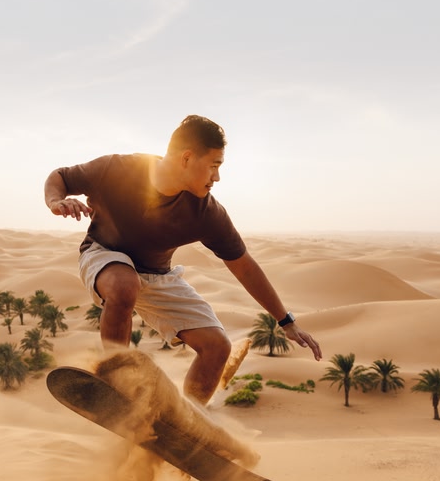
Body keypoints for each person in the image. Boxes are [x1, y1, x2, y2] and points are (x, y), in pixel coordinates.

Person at [44, 114, 322, 405]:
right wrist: (55, 201)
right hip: (103, 255)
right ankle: (114, 381)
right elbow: (61, 177)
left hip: (157, 275)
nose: (217, 177)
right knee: (125, 285)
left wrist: (286, 321)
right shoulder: (119, 169)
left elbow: (244, 266)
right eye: (214, 166)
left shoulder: (206, 212)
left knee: (217, 347)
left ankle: (186, 423)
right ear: (187, 158)